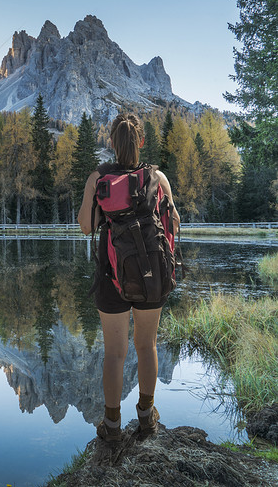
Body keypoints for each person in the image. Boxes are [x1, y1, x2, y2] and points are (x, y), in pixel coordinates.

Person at [76, 112, 180, 442]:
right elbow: (174, 223)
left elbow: (85, 226)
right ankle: (147, 419)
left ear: (111, 142)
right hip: (152, 275)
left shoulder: (99, 178)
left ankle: (111, 425)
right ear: (142, 142)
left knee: (115, 354)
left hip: (112, 275)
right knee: (147, 346)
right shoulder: (158, 178)